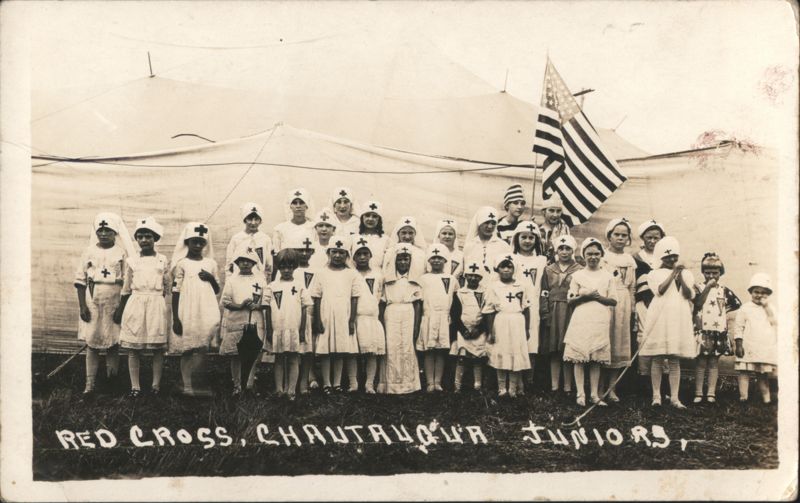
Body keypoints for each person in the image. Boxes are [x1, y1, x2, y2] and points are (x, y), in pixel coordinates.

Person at [74, 212, 135, 395]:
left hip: (113, 303)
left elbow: (127, 282)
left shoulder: (121, 253)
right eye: (100, 230)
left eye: (108, 230)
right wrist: (82, 307)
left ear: (115, 232)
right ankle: (90, 384)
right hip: (93, 302)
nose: (103, 234)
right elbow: (80, 280)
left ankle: (111, 381)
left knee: (112, 342)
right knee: (92, 343)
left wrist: (121, 308)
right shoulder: (89, 252)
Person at [639, 236, 695, 408]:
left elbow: (688, 294)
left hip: (677, 316)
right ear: (660, 258)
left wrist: (680, 276)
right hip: (660, 316)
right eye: (667, 257)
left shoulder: (686, 273)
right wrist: (673, 274)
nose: (671, 260)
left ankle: (675, 398)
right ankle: (656, 396)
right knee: (657, 356)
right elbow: (660, 290)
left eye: (674, 257)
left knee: (674, 358)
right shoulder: (653, 274)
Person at [117, 217, 170, 398]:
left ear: (155, 238)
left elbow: (167, 286)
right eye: (140, 237)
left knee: (157, 348)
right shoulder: (132, 261)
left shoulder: (163, 260)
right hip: (136, 302)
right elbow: (126, 288)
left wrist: (158, 302)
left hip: (156, 303)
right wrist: (120, 309)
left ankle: (156, 385)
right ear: (136, 239)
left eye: (148, 236)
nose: (144, 240)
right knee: (134, 347)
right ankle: (135, 386)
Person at [563, 238, 617, 406]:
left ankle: (594, 394)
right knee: (579, 357)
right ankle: (580, 394)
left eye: (596, 254)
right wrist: (584, 296)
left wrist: (599, 297)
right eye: (589, 254)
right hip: (581, 318)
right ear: (583, 255)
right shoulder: (577, 276)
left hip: (599, 319)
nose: (593, 257)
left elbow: (614, 301)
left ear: (601, 255)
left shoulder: (608, 277)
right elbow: (570, 300)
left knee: (595, 358)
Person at [170, 221, 221, 396]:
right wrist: (176, 317)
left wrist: (210, 278)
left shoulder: (211, 263)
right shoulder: (182, 264)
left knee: (202, 347)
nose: (198, 245)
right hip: (188, 310)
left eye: (201, 242)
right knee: (188, 348)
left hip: (205, 308)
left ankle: (200, 384)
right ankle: (187, 386)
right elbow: (175, 291)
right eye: (194, 241)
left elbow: (217, 289)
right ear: (187, 243)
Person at [311, 236, 361, 393]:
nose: (337, 256)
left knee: (340, 349)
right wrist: (318, 319)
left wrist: (351, 320)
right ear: (328, 253)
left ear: (346, 255)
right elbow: (317, 297)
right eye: (334, 252)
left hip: (343, 315)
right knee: (326, 349)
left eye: (341, 253)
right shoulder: (321, 273)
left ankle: (337, 383)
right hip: (326, 313)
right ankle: (326, 383)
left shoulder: (351, 274)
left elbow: (354, 298)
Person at [219, 245, 268, 397]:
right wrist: (239, 305)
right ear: (237, 262)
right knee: (236, 354)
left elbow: (266, 299)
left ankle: (250, 383)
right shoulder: (232, 280)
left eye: (249, 261)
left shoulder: (260, 279)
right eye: (242, 261)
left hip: (255, 320)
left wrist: (257, 306)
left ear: (254, 263)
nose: (245, 264)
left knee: (253, 352)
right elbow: (225, 301)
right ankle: (237, 384)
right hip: (237, 321)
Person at [693, 252, 741, 403]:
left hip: (718, 331)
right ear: (703, 272)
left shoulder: (724, 290)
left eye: (715, 273)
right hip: (702, 330)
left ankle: (711, 393)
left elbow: (737, 304)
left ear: (721, 273)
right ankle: (698, 393)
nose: (711, 276)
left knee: (713, 363)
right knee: (701, 362)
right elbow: (697, 303)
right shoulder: (699, 287)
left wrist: (723, 312)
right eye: (707, 273)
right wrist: (707, 287)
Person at [264, 249, 311, 400]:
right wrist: (270, 329)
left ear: (294, 267)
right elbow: (267, 309)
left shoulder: (299, 285)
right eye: (282, 267)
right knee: (278, 359)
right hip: (278, 327)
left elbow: (304, 309)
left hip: (294, 328)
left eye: (290, 267)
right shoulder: (271, 286)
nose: (286, 270)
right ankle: (279, 389)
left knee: (293, 358)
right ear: (278, 267)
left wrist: (302, 329)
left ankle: (291, 390)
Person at [483, 254, 531, 398]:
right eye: (502, 267)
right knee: (502, 352)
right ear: (497, 269)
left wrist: (527, 329)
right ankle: (502, 387)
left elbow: (526, 308)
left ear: (514, 268)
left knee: (515, 352)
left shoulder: (521, 286)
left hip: (517, 321)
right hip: (501, 321)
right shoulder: (494, 287)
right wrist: (491, 331)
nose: (506, 270)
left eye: (509, 266)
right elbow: (489, 311)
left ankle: (513, 388)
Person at [539, 235, 581, 394]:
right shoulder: (549, 269)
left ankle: (568, 386)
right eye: (561, 248)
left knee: (567, 347)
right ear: (556, 250)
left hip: (570, 310)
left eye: (568, 248)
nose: (564, 252)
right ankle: (555, 385)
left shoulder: (579, 269)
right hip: (553, 310)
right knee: (554, 349)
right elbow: (544, 292)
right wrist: (545, 311)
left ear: (573, 250)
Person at [600, 218, 636, 402]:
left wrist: (632, 309)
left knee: (618, 343)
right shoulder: (603, 257)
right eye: (617, 234)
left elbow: (632, 287)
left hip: (623, 303)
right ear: (609, 236)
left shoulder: (629, 260)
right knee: (604, 341)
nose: (620, 238)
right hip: (606, 301)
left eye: (624, 235)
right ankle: (598, 389)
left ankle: (611, 389)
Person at [380, 243, 423, 394]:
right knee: (391, 345)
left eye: (406, 259)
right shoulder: (388, 281)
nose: (403, 263)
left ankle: (408, 384)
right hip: (391, 312)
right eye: (400, 259)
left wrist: (417, 324)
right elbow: (382, 303)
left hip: (408, 312)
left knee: (406, 345)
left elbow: (418, 304)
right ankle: (391, 385)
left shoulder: (414, 281)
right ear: (394, 261)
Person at [511, 221, 547, 390]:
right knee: (516, 340)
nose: (527, 241)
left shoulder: (542, 260)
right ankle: (515, 379)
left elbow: (544, 285)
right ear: (517, 238)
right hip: (514, 306)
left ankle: (529, 379)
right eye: (523, 237)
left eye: (531, 237)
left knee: (532, 341)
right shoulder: (511, 258)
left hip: (534, 306)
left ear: (536, 240)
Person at [416, 245, 456, 392]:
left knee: (440, 350)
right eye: (433, 258)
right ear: (429, 260)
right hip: (428, 316)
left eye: (440, 258)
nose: (437, 261)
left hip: (444, 317)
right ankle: (429, 382)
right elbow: (420, 301)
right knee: (429, 350)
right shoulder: (423, 279)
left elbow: (454, 299)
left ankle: (437, 382)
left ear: (445, 260)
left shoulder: (451, 279)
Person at [734, 273, 777, 404]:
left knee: (762, 373)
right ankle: (743, 397)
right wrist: (739, 345)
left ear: (768, 294)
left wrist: (767, 307)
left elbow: (775, 322)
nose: (759, 295)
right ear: (750, 292)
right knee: (744, 371)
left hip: (763, 346)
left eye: (763, 293)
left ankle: (766, 399)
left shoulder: (770, 308)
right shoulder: (745, 308)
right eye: (756, 292)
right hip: (748, 345)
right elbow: (738, 327)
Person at [286, 229, 320, 394]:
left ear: (312, 251)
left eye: (308, 250)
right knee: (292, 348)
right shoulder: (289, 271)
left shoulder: (317, 271)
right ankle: (289, 381)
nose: (304, 253)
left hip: (310, 312)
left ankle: (306, 381)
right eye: (301, 250)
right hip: (293, 313)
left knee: (308, 348)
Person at [351, 237, 387, 393]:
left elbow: (381, 297)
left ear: (371, 256)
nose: (363, 257)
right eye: (359, 254)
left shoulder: (378, 275)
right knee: (353, 351)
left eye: (366, 253)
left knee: (372, 352)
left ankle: (369, 383)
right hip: (355, 317)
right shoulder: (350, 274)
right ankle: (353, 382)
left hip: (372, 317)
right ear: (353, 257)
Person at [632, 219, 666, 378]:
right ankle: (643, 375)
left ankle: (661, 376)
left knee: (661, 335)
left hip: (662, 303)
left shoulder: (665, 257)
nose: (652, 241)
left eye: (656, 238)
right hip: (643, 301)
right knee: (643, 335)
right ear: (642, 238)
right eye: (649, 237)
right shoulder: (636, 258)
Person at [450, 260, 489, 392]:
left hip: (479, 330)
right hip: (463, 331)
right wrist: (462, 330)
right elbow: (455, 314)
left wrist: (479, 329)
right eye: (470, 275)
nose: (473, 278)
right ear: (465, 276)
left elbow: (487, 313)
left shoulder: (485, 293)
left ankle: (477, 385)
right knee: (462, 357)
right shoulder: (460, 293)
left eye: (476, 276)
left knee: (478, 358)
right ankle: (457, 385)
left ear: (481, 278)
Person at [225, 202, 273, 281]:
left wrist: (266, 282)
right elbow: (229, 264)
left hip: (258, 282)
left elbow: (269, 265)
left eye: (256, 219)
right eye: (250, 219)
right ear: (244, 220)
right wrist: (230, 281)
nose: (253, 223)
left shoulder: (265, 239)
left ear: (260, 220)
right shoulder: (236, 238)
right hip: (239, 281)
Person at [463, 206, 511, 271]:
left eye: (493, 223)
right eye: (487, 222)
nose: (490, 226)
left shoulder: (504, 246)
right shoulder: (469, 246)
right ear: (479, 223)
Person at [272, 187, 315, 253]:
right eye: (294, 203)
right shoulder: (280, 230)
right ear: (290, 206)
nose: (298, 206)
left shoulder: (314, 228)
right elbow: (277, 254)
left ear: (307, 205)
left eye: (301, 202)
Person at [539, 192, 571, 264]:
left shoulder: (564, 229)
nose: (555, 214)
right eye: (551, 210)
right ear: (543, 212)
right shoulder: (538, 230)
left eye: (558, 211)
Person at [357, 200, 389, 268]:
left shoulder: (386, 240)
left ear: (379, 219)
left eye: (374, 216)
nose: (370, 219)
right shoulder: (354, 237)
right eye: (367, 215)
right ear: (362, 218)